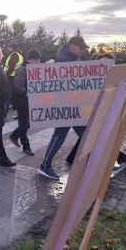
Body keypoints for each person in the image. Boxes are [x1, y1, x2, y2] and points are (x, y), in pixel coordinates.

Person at [38, 36, 89, 180]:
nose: (83, 50)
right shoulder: (63, 61)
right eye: (81, 47)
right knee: (62, 135)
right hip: (66, 106)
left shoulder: (73, 59)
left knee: (85, 134)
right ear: (72, 46)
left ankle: (94, 163)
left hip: (74, 105)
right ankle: (45, 165)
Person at [8, 48, 41, 156]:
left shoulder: (33, 69)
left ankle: (14, 136)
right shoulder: (22, 70)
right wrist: (27, 94)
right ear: (29, 59)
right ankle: (26, 146)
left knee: (28, 123)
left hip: (30, 101)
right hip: (22, 101)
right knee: (24, 124)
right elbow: (18, 85)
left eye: (38, 60)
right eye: (35, 60)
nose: (37, 62)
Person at [3, 42, 23, 117]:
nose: (8, 48)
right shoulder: (19, 55)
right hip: (16, 77)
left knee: (7, 96)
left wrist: (6, 74)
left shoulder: (14, 55)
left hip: (10, 77)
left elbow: (11, 67)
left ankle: (4, 114)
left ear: (12, 48)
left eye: (9, 47)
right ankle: (18, 112)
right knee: (13, 96)